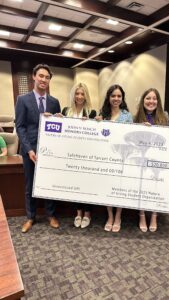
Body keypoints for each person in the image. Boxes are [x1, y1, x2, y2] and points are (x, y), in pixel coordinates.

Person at [15, 64, 61, 233]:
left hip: (50, 151)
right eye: (41, 76)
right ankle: (30, 217)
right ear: (34, 77)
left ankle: (51, 214)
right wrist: (29, 149)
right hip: (30, 151)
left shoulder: (54, 102)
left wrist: (60, 119)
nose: (43, 79)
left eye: (47, 77)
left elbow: (58, 126)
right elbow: (20, 126)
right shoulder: (22, 99)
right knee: (30, 185)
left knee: (50, 183)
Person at [134, 88, 169, 232]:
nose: (151, 101)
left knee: (156, 186)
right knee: (142, 186)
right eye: (148, 98)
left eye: (154, 98)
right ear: (143, 101)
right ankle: (142, 214)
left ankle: (154, 215)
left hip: (158, 159)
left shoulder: (165, 116)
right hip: (142, 158)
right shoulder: (136, 117)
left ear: (158, 101)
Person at [62, 82, 96, 228]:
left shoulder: (92, 113)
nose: (80, 96)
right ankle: (78, 213)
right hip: (71, 153)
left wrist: (95, 122)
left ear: (86, 96)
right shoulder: (65, 111)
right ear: (73, 95)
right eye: (77, 93)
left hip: (87, 154)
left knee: (87, 184)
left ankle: (87, 213)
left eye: (82, 94)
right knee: (75, 184)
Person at [100, 84, 133, 232]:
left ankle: (118, 215)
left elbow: (130, 137)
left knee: (119, 187)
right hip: (106, 156)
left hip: (121, 157)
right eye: (113, 96)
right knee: (107, 187)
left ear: (122, 98)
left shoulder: (127, 115)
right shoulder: (103, 114)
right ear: (108, 97)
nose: (116, 98)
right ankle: (110, 216)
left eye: (119, 96)